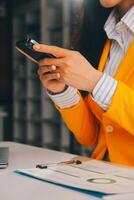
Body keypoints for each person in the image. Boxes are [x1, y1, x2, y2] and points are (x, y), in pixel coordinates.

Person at [33, 0, 134, 167]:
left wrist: (95, 82)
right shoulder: (105, 32)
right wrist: (63, 92)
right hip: (105, 176)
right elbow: (91, 136)